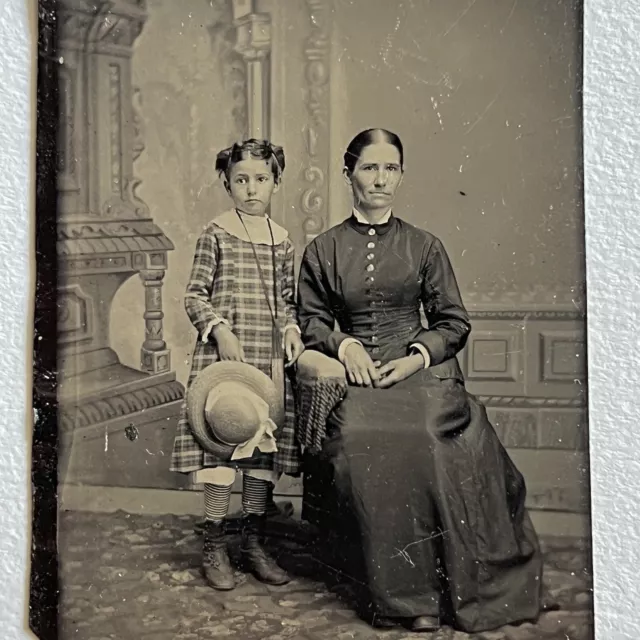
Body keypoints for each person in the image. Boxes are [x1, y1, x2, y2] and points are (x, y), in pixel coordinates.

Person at [295, 128, 545, 633]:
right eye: (369, 168)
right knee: (362, 440)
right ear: (349, 175)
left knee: (426, 437)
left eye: (391, 168)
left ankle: (440, 590)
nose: (380, 179)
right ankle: (402, 600)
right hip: (358, 376)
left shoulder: (425, 246)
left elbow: (454, 321)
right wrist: (346, 348)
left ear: (402, 176)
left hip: (421, 376)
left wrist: (416, 357)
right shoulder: (323, 249)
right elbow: (312, 320)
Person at [170, 139, 305, 591]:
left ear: (276, 182)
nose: (251, 189)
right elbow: (194, 294)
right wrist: (220, 329)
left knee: (260, 454)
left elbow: (287, 302)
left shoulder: (282, 241)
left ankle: (252, 542)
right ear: (227, 184)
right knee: (222, 447)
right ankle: (213, 542)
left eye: (261, 180)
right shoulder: (216, 233)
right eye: (241, 180)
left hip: (265, 364)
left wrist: (290, 330)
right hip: (224, 360)